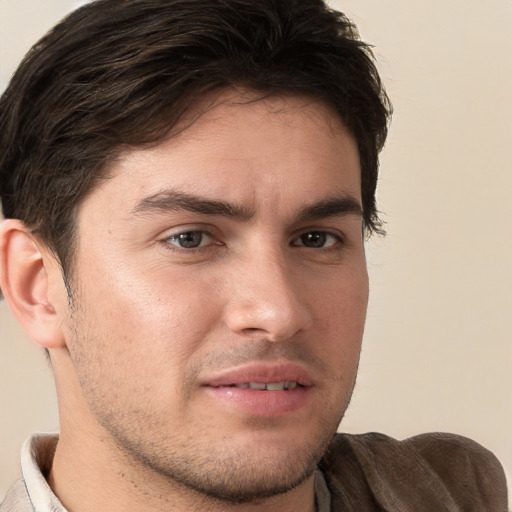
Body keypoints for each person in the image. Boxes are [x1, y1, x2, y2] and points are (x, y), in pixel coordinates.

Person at [0, 0, 507, 510]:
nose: (279, 312)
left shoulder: (455, 494)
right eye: (190, 239)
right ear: (37, 287)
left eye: (316, 239)